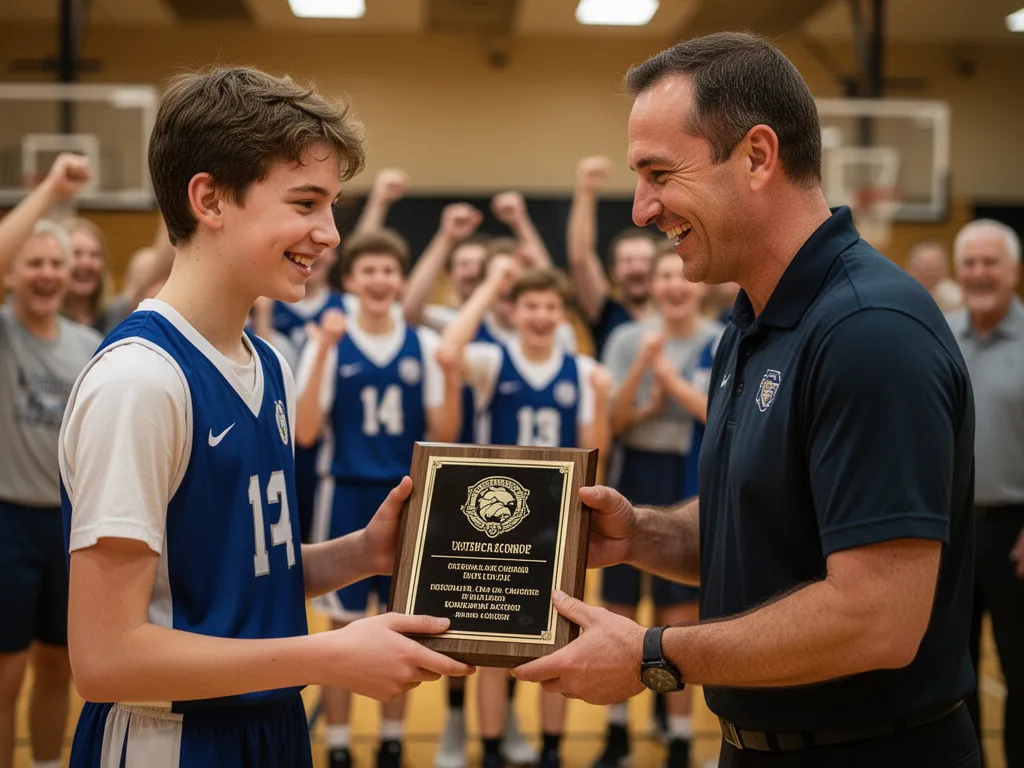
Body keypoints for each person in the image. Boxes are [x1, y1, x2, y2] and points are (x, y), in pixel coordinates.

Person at [513, 32, 980, 768]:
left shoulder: (868, 331)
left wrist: (651, 655)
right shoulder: (753, 321)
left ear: (758, 156)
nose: (640, 209)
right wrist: (641, 535)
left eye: (659, 172)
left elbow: (877, 617)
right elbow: (768, 529)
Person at [58, 65, 472, 768]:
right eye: (306, 202)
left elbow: (232, 577)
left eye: (333, 205)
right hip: (175, 738)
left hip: (273, 724)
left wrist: (357, 556)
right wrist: (328, 654)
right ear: (210, 199)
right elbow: (106, 659)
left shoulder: (268, 363)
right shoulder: (140, 381)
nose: (332, 233)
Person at [295, 228, 462, 768]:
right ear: (351, 281)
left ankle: (392, 739)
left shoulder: (427, 344)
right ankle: (339, 743)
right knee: (343, 632)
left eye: (390, 271)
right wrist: (321, 348)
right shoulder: (328, 339)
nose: (381, 280)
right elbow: (305, 431)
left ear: (401, 279)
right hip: (342, 493)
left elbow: (445, 431)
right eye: (370, 270)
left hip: (408, 499)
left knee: (402, 624)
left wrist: (452, 378)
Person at [440, 260, 613, 768]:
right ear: (514, 312)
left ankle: (552, 751)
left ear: (563, 315)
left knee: (557, 646)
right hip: (496, 523)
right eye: (531, 306)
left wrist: (601, 403)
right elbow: (448, 351)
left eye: (551, 307)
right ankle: (492, 748)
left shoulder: (583, 370)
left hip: (556, 523)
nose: (541, 316)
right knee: (494, 647)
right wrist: (493, 282)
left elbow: (594, 451)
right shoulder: (494, 361)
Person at [596, 246, 721, 768]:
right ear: (650, 283)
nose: (673, 284)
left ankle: (678, 736)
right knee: (619, 604)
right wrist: (645, 368)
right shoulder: (628, 337)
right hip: (635, 471)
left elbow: (718, 414)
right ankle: (618, 730)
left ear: (697, 283)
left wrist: (668, 380)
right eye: (662, 275)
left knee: (679, 614)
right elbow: (612, 420)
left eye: (680, 274)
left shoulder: (719, 339)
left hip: (688, 475)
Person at [0, 153, 101, 768]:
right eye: (32, 263)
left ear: (71, 275)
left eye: (55, 264)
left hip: (66, 526)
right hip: (7, 522)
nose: (45, 274)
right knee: (7, 674)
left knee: (58, 665)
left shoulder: (90, 346)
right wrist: (51, 195)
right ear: (12, 273)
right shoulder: (4, 331)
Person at [946, 219, 1024, 768]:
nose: (978, 273)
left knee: (1021, 671)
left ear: (1014, 271)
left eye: (989, 262)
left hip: (1016, 534)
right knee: (954, 671)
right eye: (969, 263)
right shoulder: (938, 334)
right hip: (948, 528)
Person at [567, 156, 658, 359]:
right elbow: (580, 259)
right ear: (614, 272)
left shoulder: (675, 311)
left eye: (645, 260)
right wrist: (586, 191)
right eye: (627, 261)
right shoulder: (606, 311)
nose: (637, 268)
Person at [906, 239, 964, 314]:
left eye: (934, 269)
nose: (929, 275)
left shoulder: (959, 298)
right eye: (923, 269)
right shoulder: (899, 298)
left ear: (947, 269)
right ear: (909, 270)